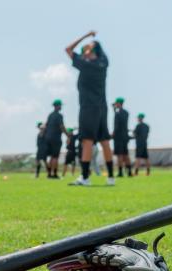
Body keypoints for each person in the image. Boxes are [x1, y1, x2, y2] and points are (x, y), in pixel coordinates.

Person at [66, 31, 115, 186]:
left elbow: (68, 49)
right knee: (105, 141)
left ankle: (85, 177)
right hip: (102, 107)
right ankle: (111, 178)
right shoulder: (103, 63)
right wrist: (95, 43)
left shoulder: (86, 64)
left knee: (87, 141)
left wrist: (86, 35)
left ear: (89, 52)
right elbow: (101, 52)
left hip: (88, 107)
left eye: (86, 49)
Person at [43, 99, 68, 179]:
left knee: (51, 157)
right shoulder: (59, 115)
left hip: (48, 138)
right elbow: (62, 127)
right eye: (60, 105)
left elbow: (45, 126)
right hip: (55, 138)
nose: (61, 107)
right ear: (57, 106)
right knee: (55, 157)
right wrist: (68, 135)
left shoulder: (50, 115)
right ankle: (55, 174)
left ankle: (49, 174)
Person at [112, 97, 132, 177]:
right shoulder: (126, 113)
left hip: (118, 137)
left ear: (118, 103)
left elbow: (116, 126)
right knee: (125, 154)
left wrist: (113, 134)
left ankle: (120, 172)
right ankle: (129, 171)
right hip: (125, 137)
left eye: (116, 103)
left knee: (119, 155)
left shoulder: (117, 114)